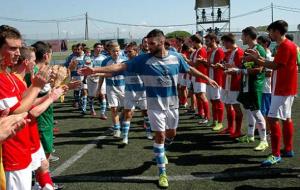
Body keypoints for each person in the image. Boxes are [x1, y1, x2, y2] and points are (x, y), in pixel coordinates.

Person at [78, 29, 218, 188]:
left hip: (173, 104)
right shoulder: (143, 60)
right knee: (160, 136)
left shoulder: (176, 57)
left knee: (172, 134)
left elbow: (188, 68)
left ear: (162, 42)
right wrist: (95, 70)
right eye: (147, 43)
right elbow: (120, 66)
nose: (148, 46)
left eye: (152, 43)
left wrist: (206, 78)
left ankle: (162, 152)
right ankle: (162, 173)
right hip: (154, 106)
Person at [0, 25, 49, 190]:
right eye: (13, 48)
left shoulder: (7, 75)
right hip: (11, 151)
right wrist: (37, 87)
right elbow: (18, 110)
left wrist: (43, 89)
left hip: (22, 145)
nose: (18, 53)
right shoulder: (2, 78)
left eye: (19, 48)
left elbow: (22, 101)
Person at [245, 20, 298, 166]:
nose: (269, 34)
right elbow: (276, 64)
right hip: (284, 88)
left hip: (282, 89)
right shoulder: (286, 45)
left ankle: (275, 154)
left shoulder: (286, 46)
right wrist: (259, 58)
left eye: (271, 31)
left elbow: (274, 66)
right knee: (286, 118)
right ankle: (288, 149)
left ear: (276, 31)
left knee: (272, 118)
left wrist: (256, 59)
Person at [231, 26, 268, 151]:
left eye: (242, 36)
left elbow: (259, 69)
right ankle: (250, 135)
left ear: (247, 36)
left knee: (256, 111)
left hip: (255, 85)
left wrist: (239, 70)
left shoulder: (259, 49)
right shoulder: (248, 50)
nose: (241, 38)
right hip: (246, 84)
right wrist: (234, 68)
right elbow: (244, 68)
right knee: (248, 110)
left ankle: (264, 140)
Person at [120, 42, 152, 144]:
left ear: (136, 51)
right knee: (128, 114)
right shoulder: (124, 64)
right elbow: (112, 72)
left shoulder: (144, 63)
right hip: (129, 92)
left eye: (130, 51)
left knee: (145, 113)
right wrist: (96, 72)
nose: (127, 53)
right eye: (126, 52)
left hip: (142, 92)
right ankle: (125, 137)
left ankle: (148, 132)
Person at [219, 33, 244, 138]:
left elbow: (240, 69)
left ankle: (238, 130)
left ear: (229, 42)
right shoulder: (230, 52)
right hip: (227, 83)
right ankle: (230, 128)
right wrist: (224, 66)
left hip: (234, 84)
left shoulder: (239, 52)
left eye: (224, 42)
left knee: (236, 107)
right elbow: (231, 66)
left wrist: (230, 69)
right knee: (228, 106)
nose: (223, 44)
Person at [101, 41, 126, 138]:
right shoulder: (105, 61)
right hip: (110, 87)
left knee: (126, 108)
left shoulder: (125, 60)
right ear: (109, 51)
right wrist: (99, 88)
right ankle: (117, 129)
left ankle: (120, 121)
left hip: (123, 87)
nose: (116, 53)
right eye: (114, 51)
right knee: (113, 108)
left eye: (118, 51)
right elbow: (102, 75)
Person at [185, 34, 210, 125]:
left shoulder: (202, 50)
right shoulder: (197, 51)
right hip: (196, 77)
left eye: (191, 42)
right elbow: (194, 64)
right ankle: (200, 113)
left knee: (202, 96)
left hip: (200, 77)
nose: (190, 44)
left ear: (195, 41)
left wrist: (185, 60)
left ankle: (206, 117)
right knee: (199, 96)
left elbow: (196, 65)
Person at [204, 33, 225, 131]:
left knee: (218, 101)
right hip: (210, 79)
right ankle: (214, 121)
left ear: (213, 40)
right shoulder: (210, 51)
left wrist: (205, 63)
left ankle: (220, 122)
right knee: (213, 101)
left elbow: (218, 66)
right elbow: (209, 65)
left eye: (207, 41)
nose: (206, 42)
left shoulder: (219, 51)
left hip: (217, 80)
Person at [257, 35, 273, 133]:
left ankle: (267, 129)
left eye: (259, 43)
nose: (257, 46)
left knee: (265, 109)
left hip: (266, 87)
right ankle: (263, 128)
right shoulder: (264, 54)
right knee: (262, 108)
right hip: (262, 86)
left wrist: (257, 72)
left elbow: (269, 73)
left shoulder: (268, 56)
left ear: (265, 43)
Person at [87, 43, 107, 117]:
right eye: (98, 47)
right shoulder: (89, 58)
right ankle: (92, 109)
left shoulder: (104, 58)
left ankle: (102, 113)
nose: (99, 49)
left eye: (101, 48)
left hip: (101, 78)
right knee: (92, 96)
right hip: (91, 78)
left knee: (102, 94)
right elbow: (86, 67)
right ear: (94, 48)